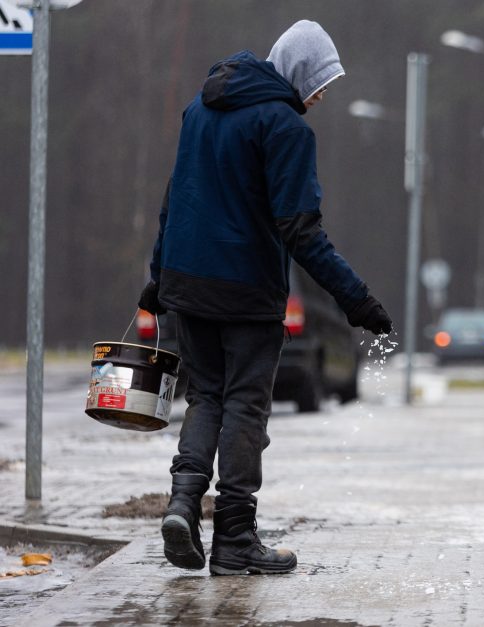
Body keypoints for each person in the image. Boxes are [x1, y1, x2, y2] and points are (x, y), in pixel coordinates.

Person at [137, 20, 391, 577]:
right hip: (248, 293)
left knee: (206, 397)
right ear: (300, 72)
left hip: (188, 284)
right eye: (321, 82)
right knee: (246, 406)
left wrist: (157, 280)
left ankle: (182, 505)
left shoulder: (198, 111)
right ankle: (234, 540)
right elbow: (302, 231)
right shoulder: (285, 128)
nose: (321, 96)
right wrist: (359, 302)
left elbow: (173, 202)